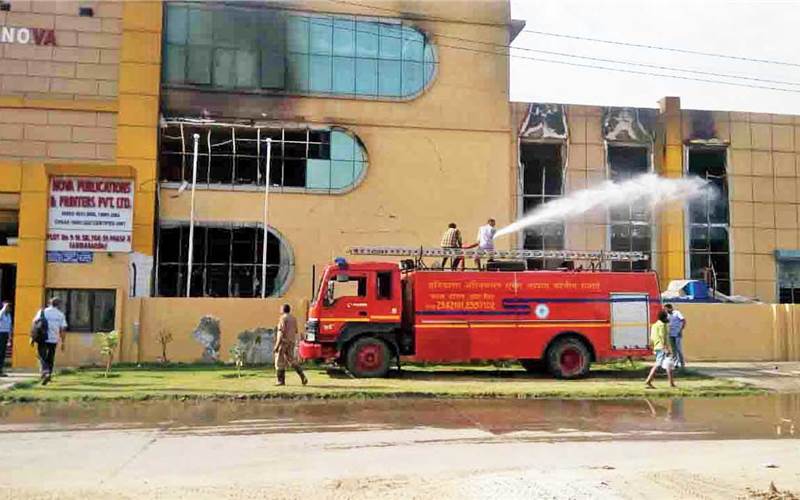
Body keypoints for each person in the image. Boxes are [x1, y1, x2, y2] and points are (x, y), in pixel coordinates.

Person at [32, 298, 67, 385]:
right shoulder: (60, 315)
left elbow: (35, 325)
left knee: (41, 356)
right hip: (53, 339)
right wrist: (63, 342)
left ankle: (45, 372)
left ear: (50, 303)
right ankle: (48, 375)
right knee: (50, 357)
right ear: (58, 305)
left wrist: (32, 338)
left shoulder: (42, 312)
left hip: (42, 338)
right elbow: (62, 329)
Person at [273, 304, 307, 386]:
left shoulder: (283, 318)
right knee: (292, 360)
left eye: (281, 308)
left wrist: (277, 346)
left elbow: (281, 332)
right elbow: (295, 331)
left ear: (283, 309)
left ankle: (281, 380)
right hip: (291, 341)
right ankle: (302, 376)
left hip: (283, 342)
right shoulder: (293, 319)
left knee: (279, 361)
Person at [644, 310, 675, 389]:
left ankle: (671, 383)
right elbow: (662, 336)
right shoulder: (662, 325)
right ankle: (648, 381)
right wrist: (666, 348)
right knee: (659, 365)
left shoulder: (654, 325)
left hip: (657, 347)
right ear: (664, 317)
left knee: (667, 364)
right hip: (662, 347)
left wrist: (652, 346)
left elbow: (651, 337)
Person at [665, 304, 686, 369]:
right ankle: (675, 363)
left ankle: (682, 364)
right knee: (673, 349)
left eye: (666, 309)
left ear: (670, 308)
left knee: (679, 349)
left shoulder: (677, 313)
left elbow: (683, 321)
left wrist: (680, 330)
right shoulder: (668, 315)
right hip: (671, 334)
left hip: (677, 333)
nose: (666, 310)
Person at [0, 301, 11, 377]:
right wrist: (3, 309)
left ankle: (1, 370)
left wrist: (9, 337)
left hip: (6, 334)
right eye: (7, 307)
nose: (9, 308)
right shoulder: (1, 313)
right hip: (0, 333)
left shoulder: (9, 315)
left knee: (3, 353)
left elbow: (10, 326)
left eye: (9, 307)